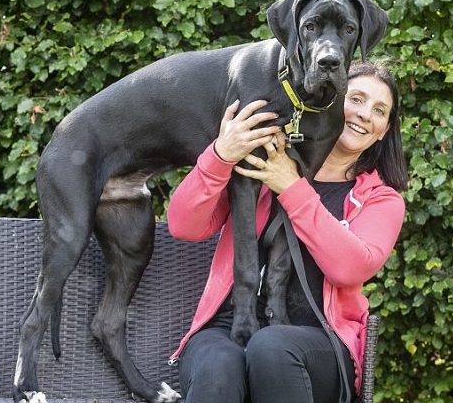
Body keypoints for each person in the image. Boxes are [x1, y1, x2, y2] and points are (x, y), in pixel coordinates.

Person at [167, 61, 408, 403]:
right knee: (219, 366)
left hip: (320, 340)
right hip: (230, 325)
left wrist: (291, 187)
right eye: (356, 99)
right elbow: (183, 225)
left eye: (379, 110)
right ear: (329, 100)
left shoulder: (381, 200)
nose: (365, 114)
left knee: (272, 347)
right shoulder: (264, 163)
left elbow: (349, 268)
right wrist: (221, 155)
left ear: (384, 130)